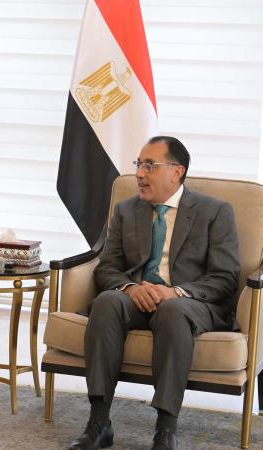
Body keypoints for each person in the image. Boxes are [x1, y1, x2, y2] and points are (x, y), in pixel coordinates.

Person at [69, 136, 240, 450]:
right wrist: (131, 288)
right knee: (107, 302)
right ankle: (99, 423)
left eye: (150, 165)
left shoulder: (214, 212)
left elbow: (226, 277)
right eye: (139, 164)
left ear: (176, 172)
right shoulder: (126, 210)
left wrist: (175, 292)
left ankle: (165, 430)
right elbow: (107, 268)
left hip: (187, 303)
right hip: (136, 298)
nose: (139, 173)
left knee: (172, 310)